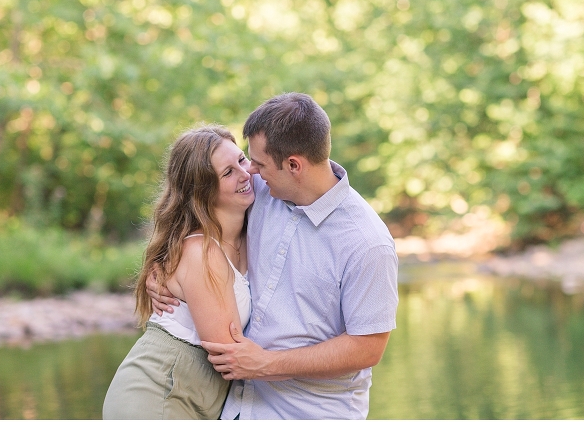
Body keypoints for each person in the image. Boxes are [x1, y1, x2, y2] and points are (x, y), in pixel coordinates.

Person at [148, 93, 399, 419]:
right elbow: (192, 206)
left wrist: (267, 365)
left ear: (294, 165)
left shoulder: (367, 243)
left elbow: (367, 347)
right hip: (236, 408)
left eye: (259, 163)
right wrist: (163, 267)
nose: (249, 169)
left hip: (309, 413)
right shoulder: (262, 187)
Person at [103, 124, 254, 419]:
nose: (244, 173)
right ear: (203, 191)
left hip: (197, 398)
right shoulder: (202, 251)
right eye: (228, 173)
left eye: (242, 159)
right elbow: (231, 353)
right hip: (156, 392)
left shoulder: (253, 234)